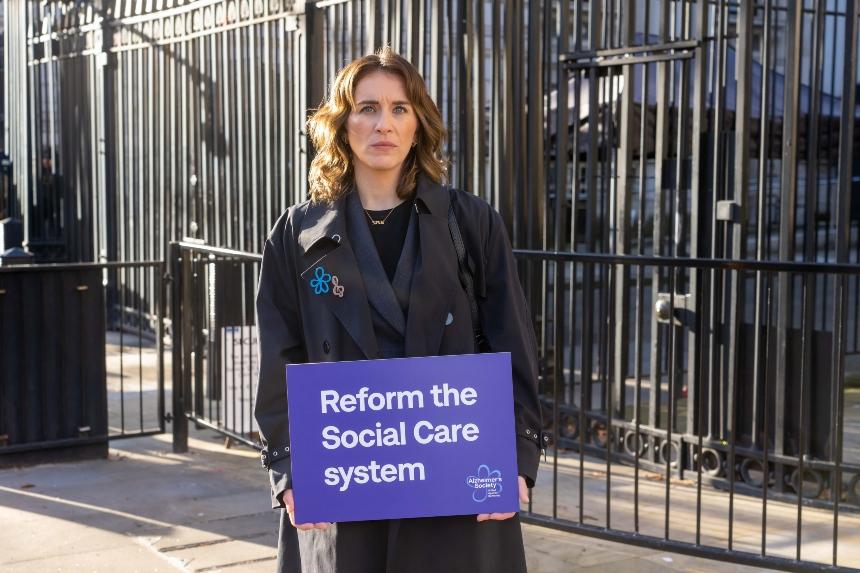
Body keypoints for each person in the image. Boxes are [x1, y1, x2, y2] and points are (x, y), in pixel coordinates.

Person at [254, 46, 545, 573]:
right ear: (341, 125)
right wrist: (288, 469)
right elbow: (279, 360)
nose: (382, 124)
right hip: (344, 479)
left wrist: (518, 464)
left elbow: (513, 347)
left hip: (454, 480)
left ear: (418, 125)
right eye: (367, 108)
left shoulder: (473, 224)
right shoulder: (295, 234)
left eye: (399, 108)